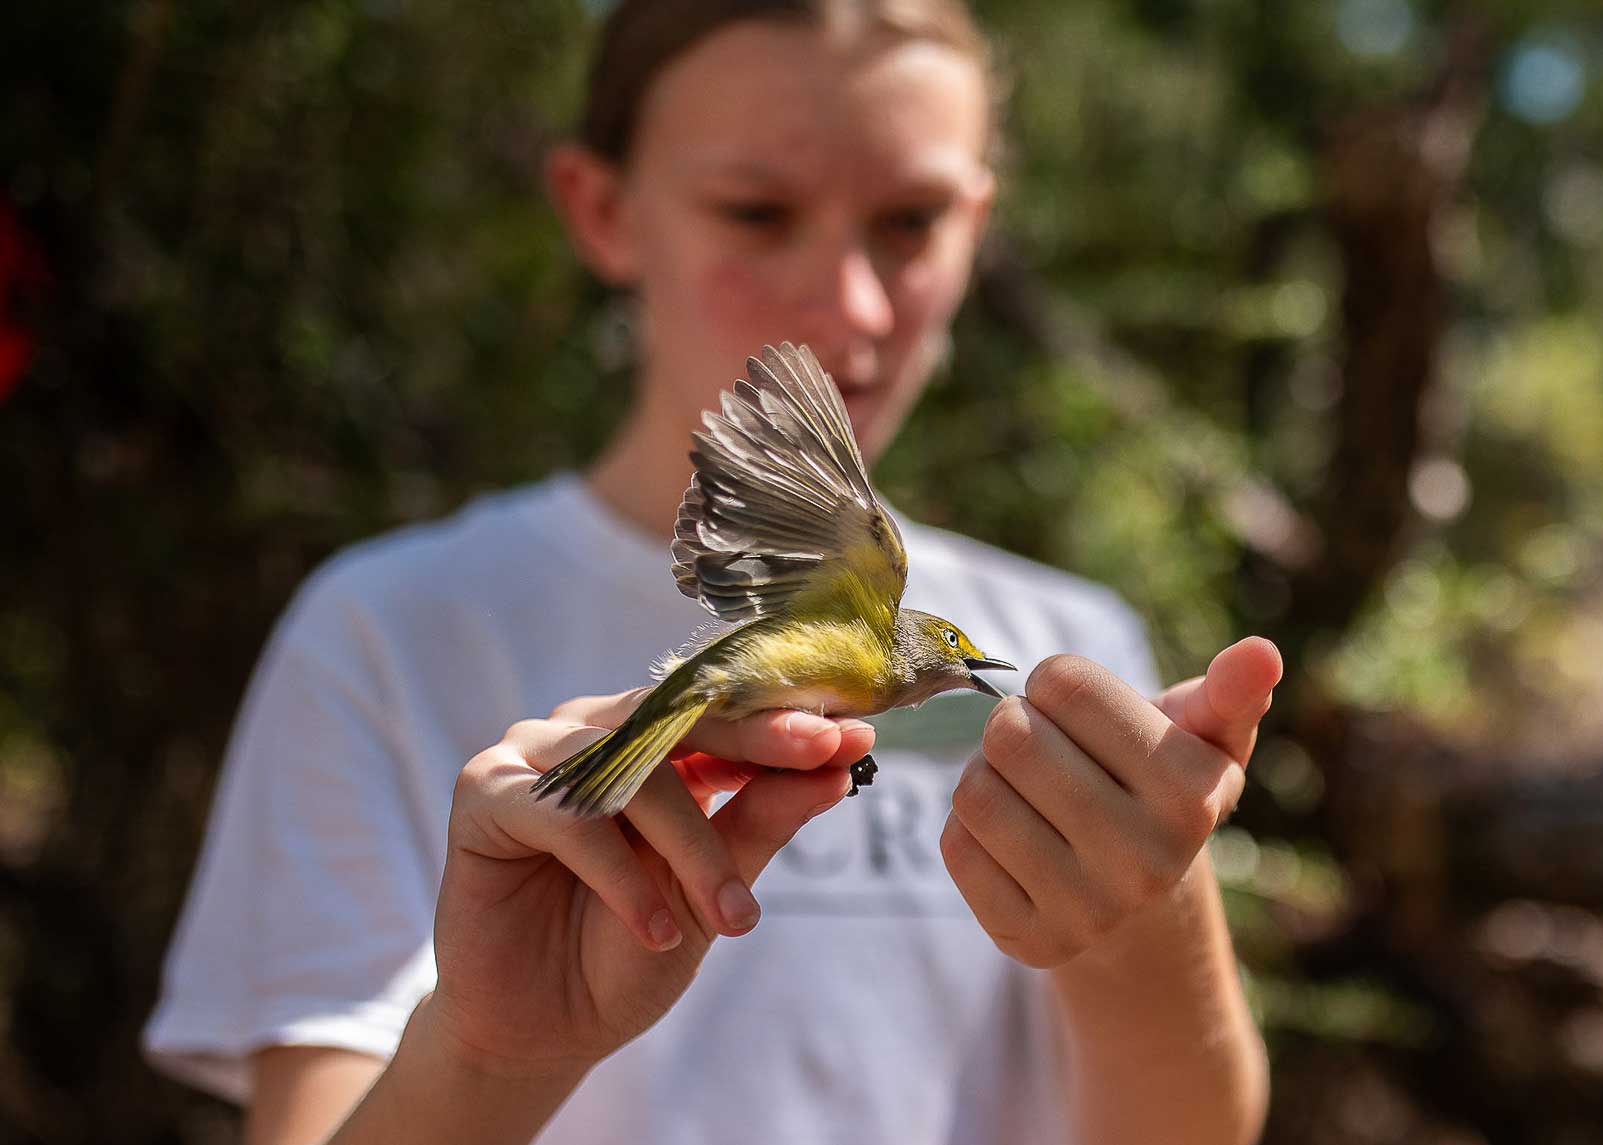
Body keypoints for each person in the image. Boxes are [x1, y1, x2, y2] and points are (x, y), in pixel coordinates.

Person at [143, 2, 1281, 1142]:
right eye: (756, 211)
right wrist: (489, 1057)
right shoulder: (387, 635)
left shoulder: (1072, 639)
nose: (852, 303)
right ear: (601, 208)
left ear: (978, 224)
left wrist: (1149, 920)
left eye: (911, 220)